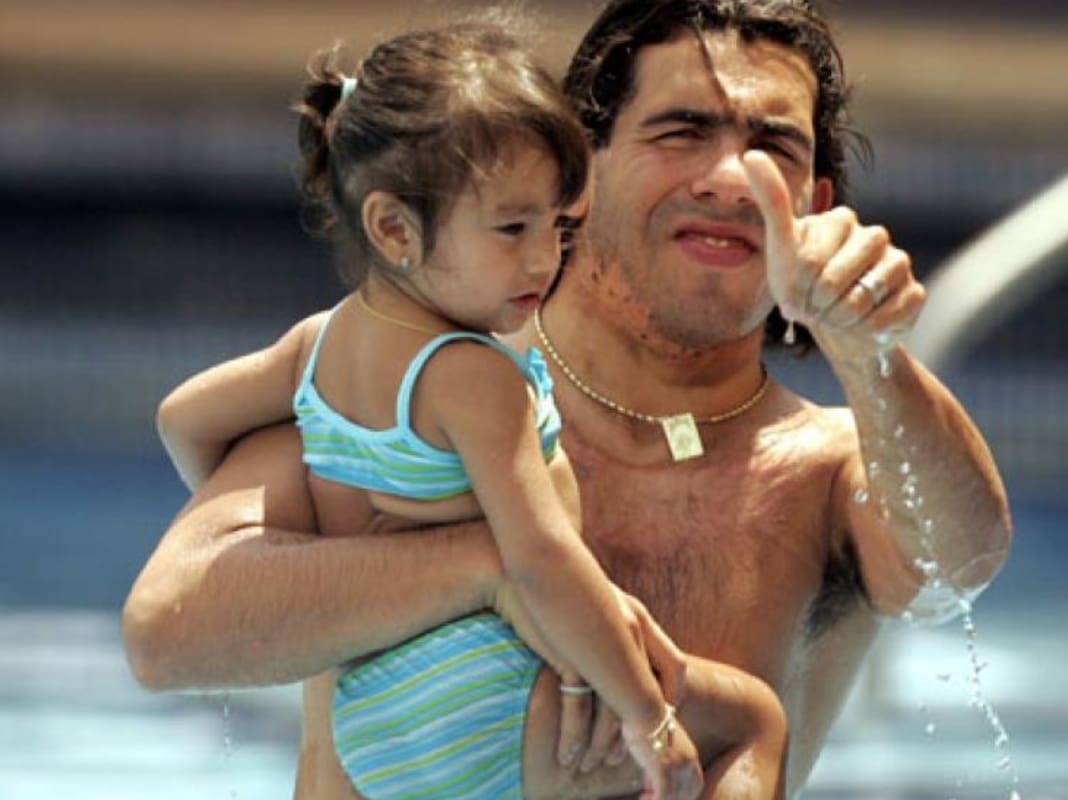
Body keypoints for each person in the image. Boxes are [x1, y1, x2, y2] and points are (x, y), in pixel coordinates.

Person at [123, 1, 1013, 797]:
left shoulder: (831, 466)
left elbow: (955, 569)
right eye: (680, 132)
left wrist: (870, 356)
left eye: (773, 148)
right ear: (577, 177)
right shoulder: (406, 375)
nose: (731, 179)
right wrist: (492, 567)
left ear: (815, 203)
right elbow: (168, 631)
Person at [151, 21, 789, 800]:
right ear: (393, 228)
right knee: (753, 720)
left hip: (371, 718)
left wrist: (305, 501)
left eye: (558, 228)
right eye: (512, 228)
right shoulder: (470, 378)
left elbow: (182, 420)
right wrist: (646, 717)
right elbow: (540, 560)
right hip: (484, 701)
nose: (542, 260)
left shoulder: (315, 347)